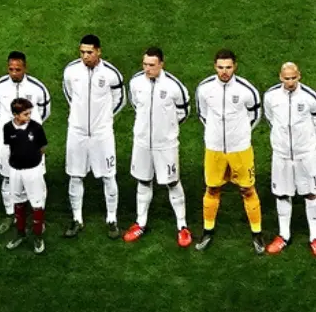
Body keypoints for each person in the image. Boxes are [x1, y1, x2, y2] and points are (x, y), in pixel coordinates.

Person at [195, 49, 264, 253]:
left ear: (235, 66)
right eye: (220, 67)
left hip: (240, 149)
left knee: (247, 189)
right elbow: (203, 114)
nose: (224, 71)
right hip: (214, 148)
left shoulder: (246, 90)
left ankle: (257, 234)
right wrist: (215, 135)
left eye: (228, 67)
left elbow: (255, 116)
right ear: (214, 66)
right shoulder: (204, 88)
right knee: (212, 188)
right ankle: (207, 231)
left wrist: (239, 135)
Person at [123, 47, 192, 247]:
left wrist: (167, 129)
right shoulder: (136, 83)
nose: (147, 69)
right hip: (142, 142)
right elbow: (136, 105)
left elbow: (183, 112)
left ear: (161, 64)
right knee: (143, 181)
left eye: (152, 65)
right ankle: (140, 222)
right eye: (145, 64)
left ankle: (182, 226)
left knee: (172, 182)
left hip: (166, 145)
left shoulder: (174, 86)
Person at [61, 34, 126, 239]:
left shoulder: (111, 74)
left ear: (99, 51)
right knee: (75, 174)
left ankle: (112, 219)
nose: (85, 56)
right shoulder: (71, 71)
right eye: (82, 52)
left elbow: (120, 100)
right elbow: (69, 94)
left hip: (102, 134)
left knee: (108, 175)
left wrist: (104, 119)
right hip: (77, 132)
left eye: (89, 52)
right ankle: (77, 218)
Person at [0, 51, 51, 234]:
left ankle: (39, 215)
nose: (14, 73)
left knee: (37, 178)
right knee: (7, 177)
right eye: (11, 69)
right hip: (8, 142)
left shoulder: (37, 88)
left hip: (33, 142)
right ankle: (12, 214)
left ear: (25, 68)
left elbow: (45, 111)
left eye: (18, 69)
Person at [263, 62, 316, 255]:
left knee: (311, 193)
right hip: (282, 155)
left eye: (293, 78)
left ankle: (314, 236)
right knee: (282, 193)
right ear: (280, 77)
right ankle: (284, 235)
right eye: (287, 78)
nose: (290, 82)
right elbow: (270, 119)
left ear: (299, 76)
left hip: (306, 154)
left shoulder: (310, 97)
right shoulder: (271, 96)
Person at [2, 98, 49, 254]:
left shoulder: (36, 128)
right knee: (18, 203)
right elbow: (10, 146)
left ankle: (38, 237)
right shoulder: (7, 128)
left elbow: (42, 147)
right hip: (15, 171)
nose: (29, 116)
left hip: (32, 171)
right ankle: (20, 234)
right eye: (25, 114)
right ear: (15, 115)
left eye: (30, 113)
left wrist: (32, 159)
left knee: (37, 204)